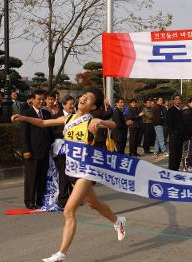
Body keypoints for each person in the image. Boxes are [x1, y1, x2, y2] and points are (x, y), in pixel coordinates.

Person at [11, 87, 126, 262]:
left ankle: (61, 254)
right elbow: (43, 123)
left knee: (68, 211)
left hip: (86, 170)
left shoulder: (91, 119)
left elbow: (114, 124)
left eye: (89, 99)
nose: (84, 99)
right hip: (71, 169)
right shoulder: (69, 118)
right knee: (93, 203)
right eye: (84, 96)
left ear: (93, 106)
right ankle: (118, 221)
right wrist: (24, 118)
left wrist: (101, 123)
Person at [20, 89, 54, 209]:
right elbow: (24, 134)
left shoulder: (46, 114)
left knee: (42, 177)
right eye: (38, 99)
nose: (41, 101)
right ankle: (29, 201)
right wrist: (26, 150)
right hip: (32, 151)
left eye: (43, 99)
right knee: (31, 177)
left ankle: (40, 200)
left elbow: (50, 132)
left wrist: (52, 146)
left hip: (45, 151)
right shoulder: (26, 113)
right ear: (32, 100)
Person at [52, 95, 75, 208]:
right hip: (62, 149)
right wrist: (64, 134)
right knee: (63, 175)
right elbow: (53, 132)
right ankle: (63, 198)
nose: (72, 106)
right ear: (63, 105)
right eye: (70, 104)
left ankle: (74, 197)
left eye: (73, 103)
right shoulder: (57, 117)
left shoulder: (76, 117)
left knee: (73, 174)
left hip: (74, 149)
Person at [166, 95, 184, 171]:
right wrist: (172, 133)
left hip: (180, 135)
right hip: (174, 135)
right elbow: (169, 124)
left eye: (179, 99)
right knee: (173, 153)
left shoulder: (180, 110)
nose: (178, 100)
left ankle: (176, 167)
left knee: (179, 152)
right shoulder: (171, 110)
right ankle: (172, 168)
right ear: (173, 100)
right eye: (176, 99)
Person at [181, 97, 192, 172]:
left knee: (190, 151)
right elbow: (188, 126)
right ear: (189, 103)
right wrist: (191, 135)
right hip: (188, 136)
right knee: (187, 151)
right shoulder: (187, 112)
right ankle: (185, 166)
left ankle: (188, 165)